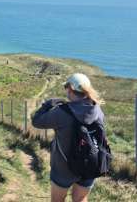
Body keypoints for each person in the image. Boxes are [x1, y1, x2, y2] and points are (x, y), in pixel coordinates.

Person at [32, 73, 105, 202]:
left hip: (64, 168)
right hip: (90, 164)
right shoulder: (97, 109)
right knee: (81, 198)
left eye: (66, 86)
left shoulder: (62, 112)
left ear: (70, 89)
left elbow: (36, 121)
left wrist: (48, 104)